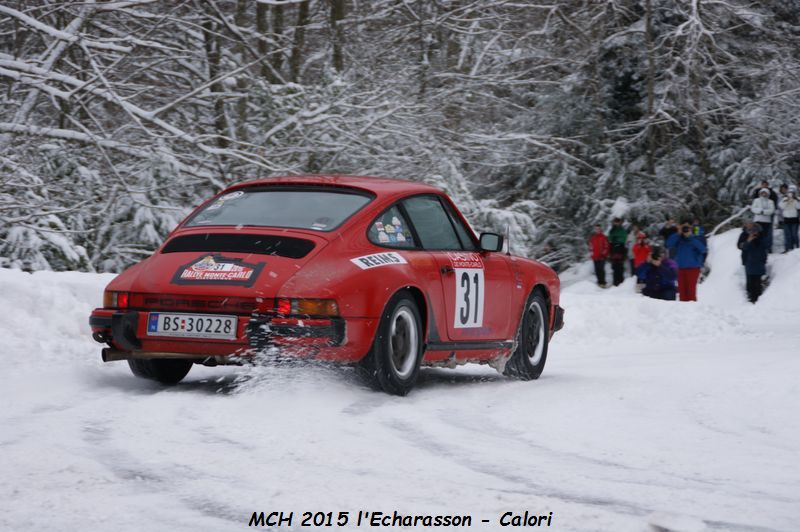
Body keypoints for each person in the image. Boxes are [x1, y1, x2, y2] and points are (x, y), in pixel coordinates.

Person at [666, 220, 707, 301]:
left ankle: (692, 312)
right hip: (680, 268)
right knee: (682, 293)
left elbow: (703, 249)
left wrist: (690, 237)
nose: (685, 229)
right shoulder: (678, 238)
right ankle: (683, 312)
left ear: (691, 227)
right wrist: (678, 233)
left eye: (687, 227)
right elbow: (669, 244)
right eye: (684, 227)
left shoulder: (696, 236)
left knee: (691, 293)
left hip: (693, 268)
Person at [741, 224, 768, 303]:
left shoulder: (762, 239)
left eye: (755, 231)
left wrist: (764, 260)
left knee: (757, 282)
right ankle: (753, 298)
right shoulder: (747, 239)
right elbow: (743, 247)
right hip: (750, 263)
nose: (753, 233)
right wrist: (748, 241)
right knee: (751, 282)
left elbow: (764, 250)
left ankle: (757, 299)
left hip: (758, 263)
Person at [751, 188, 776, 252]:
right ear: (760, 193)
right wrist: (760, 211)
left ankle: (765, 248)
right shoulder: (756, 200)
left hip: (766, 221)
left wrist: (764, 212)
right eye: (762, 193)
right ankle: (756, 247)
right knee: (757, 234)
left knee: (765, 235)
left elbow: (771, 210)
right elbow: (753, 208)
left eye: (765, 193)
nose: (764, 194)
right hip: (758, 220)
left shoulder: (770, 201)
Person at [608, 218, 628, 286]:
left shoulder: (622, 230)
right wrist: (614, 238)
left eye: (617, 222)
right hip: (613, 249)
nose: (616, 223)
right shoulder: (612, 230)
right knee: (614, 266)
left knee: (620, 266)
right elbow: (610, 238)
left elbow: (623, 238)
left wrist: (616, 238)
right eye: (615, 222)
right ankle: (615, 282)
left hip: (621, 248)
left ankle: (621, 282)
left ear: (620, 223)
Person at [778, 186, 799, 252]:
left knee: (794, 234)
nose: (790, 194)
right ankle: (788, 248)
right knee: (787, 234)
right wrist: (786, 200)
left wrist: (795, 200)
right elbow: (781, 206)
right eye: (789, 193)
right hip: (786, 219)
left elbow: (798, 207)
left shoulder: (796, 199)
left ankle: (797, 248)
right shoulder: (784, 199)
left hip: (794, 219)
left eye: (792, 193)